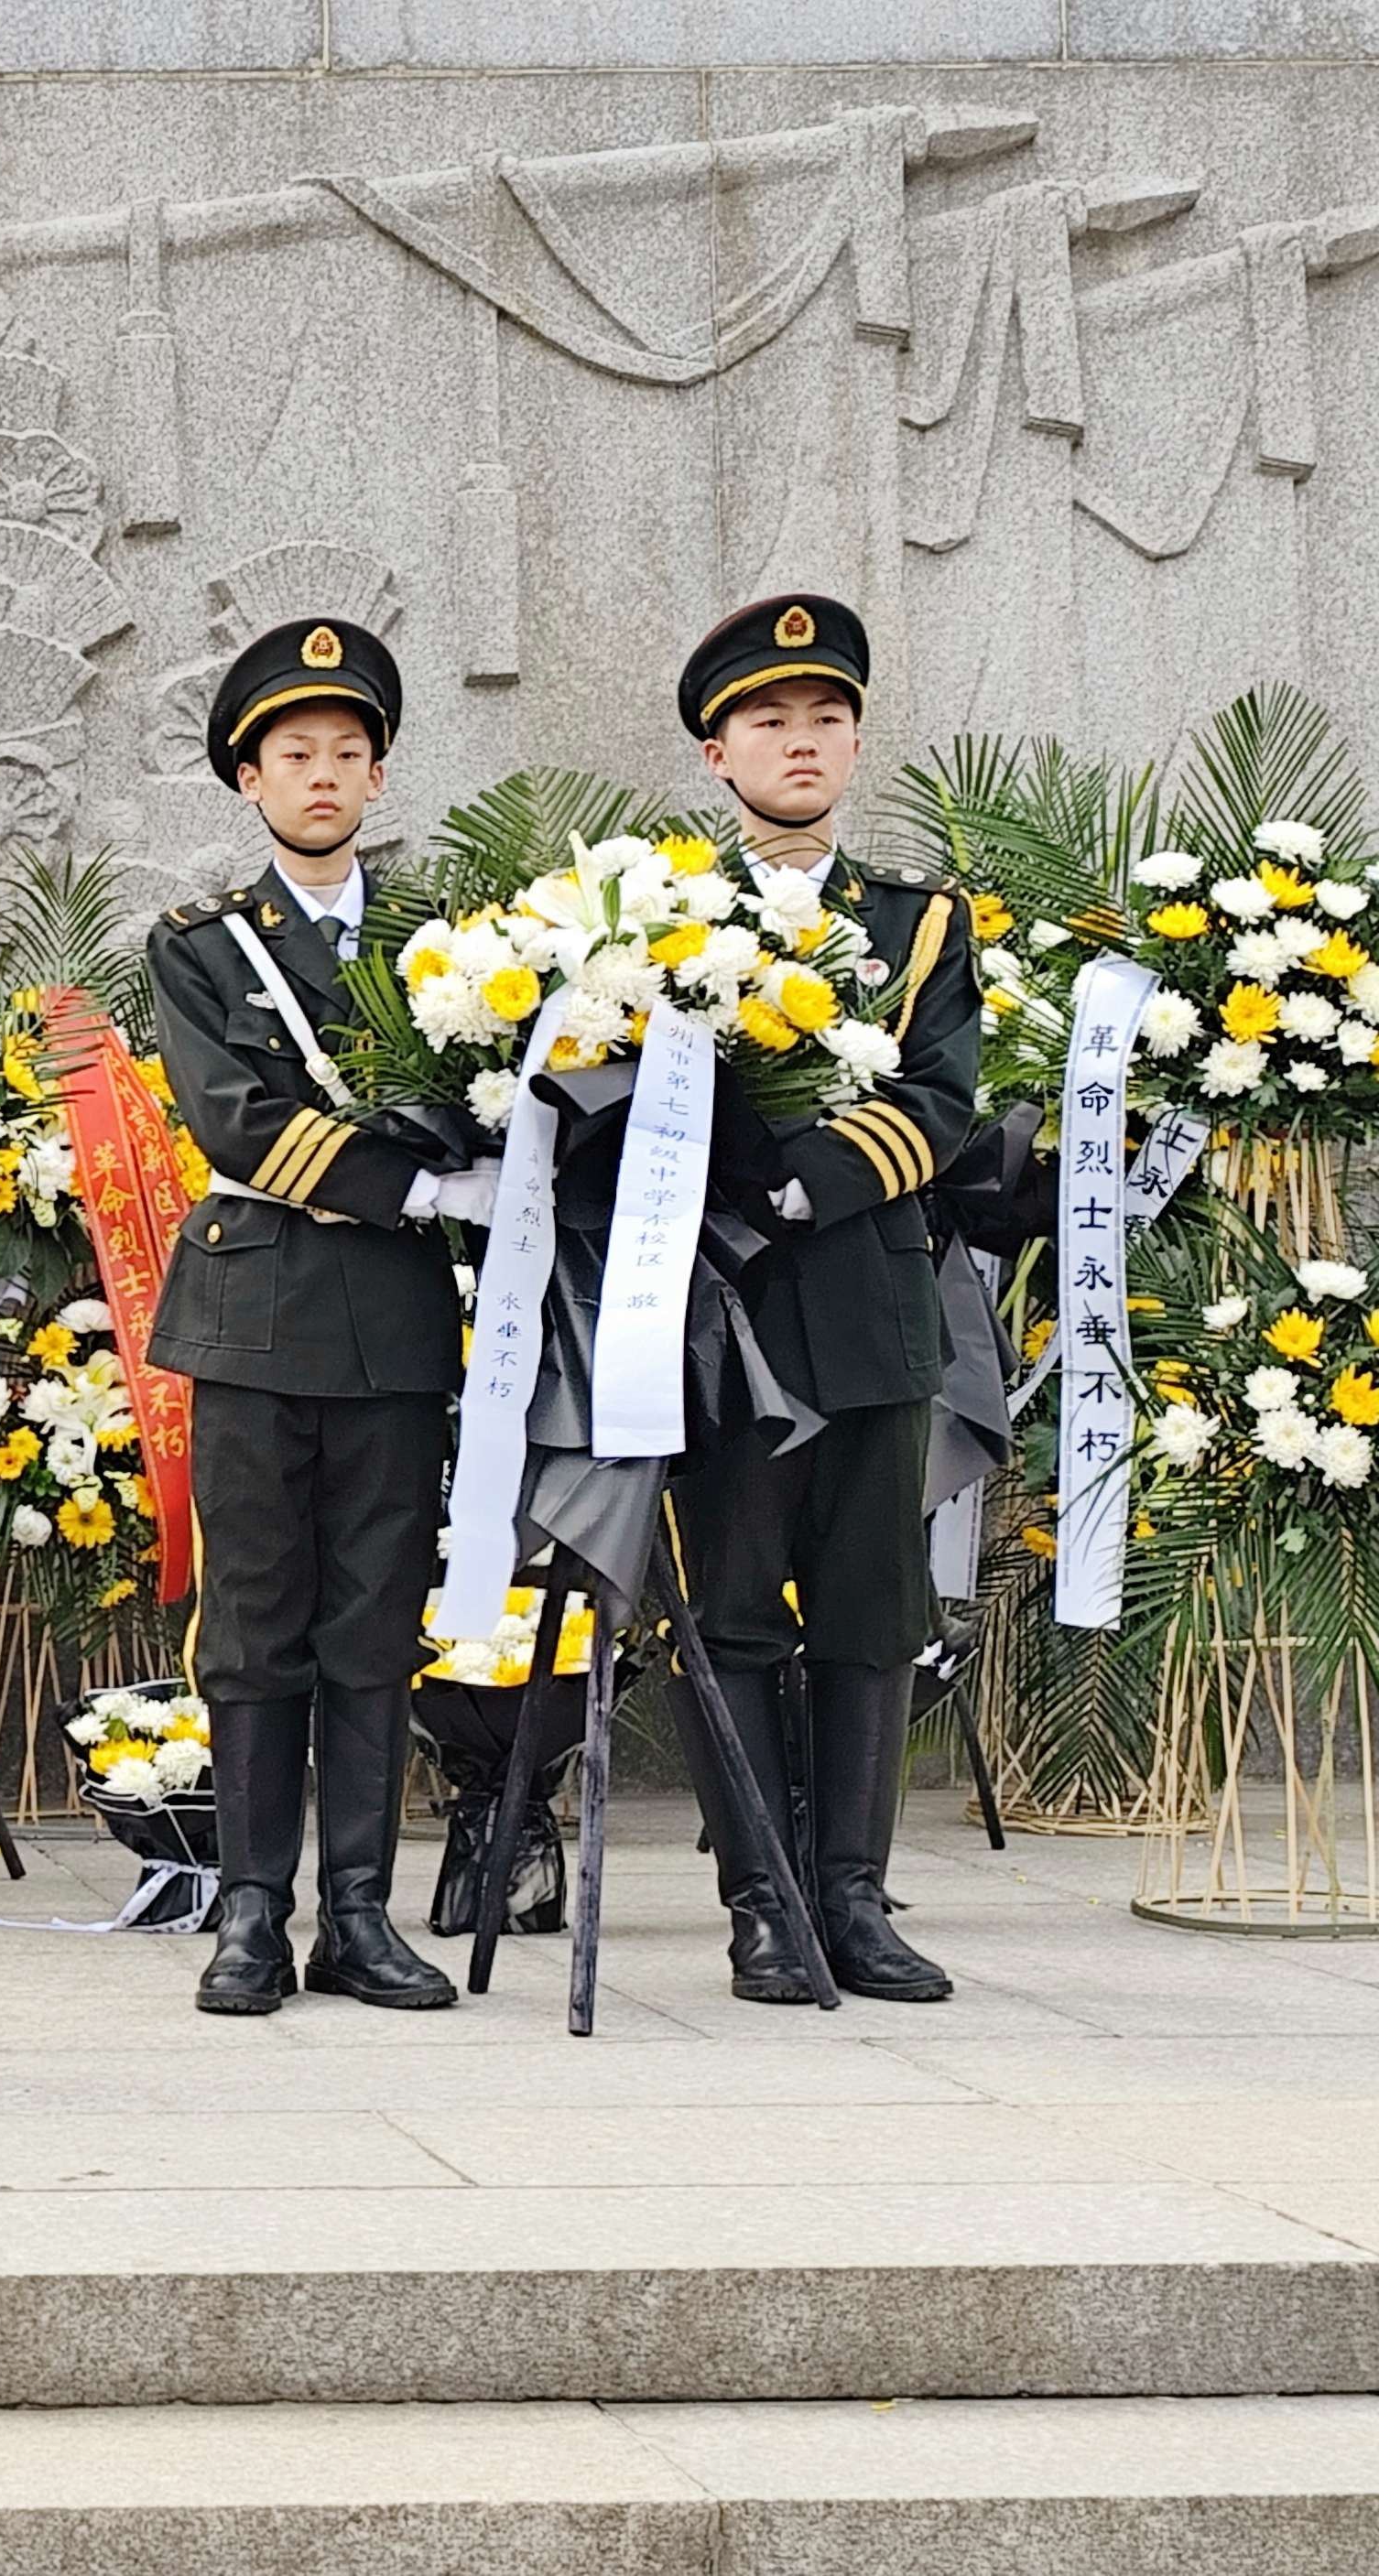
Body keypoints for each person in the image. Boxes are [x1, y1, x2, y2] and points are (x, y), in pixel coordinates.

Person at [148, 618, 489, 2017]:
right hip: (256, 1315)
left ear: (381, 774)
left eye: (349, 752)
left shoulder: (451, 948)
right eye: (297, 754)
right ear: (252, 778)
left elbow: (481, 1099)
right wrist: (419, 1182)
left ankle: (358, 1911)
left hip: (394, 1330)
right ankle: (250, 1912)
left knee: (372, 1621)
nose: (324, 774)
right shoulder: (203, 947)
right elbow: (238, 1121)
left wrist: (458, 1157)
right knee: (252, 1621)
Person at [670, 592, 979, 2006]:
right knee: (731, 1610)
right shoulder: (659, 918)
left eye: (826, 717)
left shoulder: (918, 923)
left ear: (855, 743)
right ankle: (763, 1908)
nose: (799, 740)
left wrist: (799, 1185)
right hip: (716, 1318)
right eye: (767, 720)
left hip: (864, 1305)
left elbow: (940, 1105)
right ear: (718, 752)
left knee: (869, 1609)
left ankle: (854, 1898)